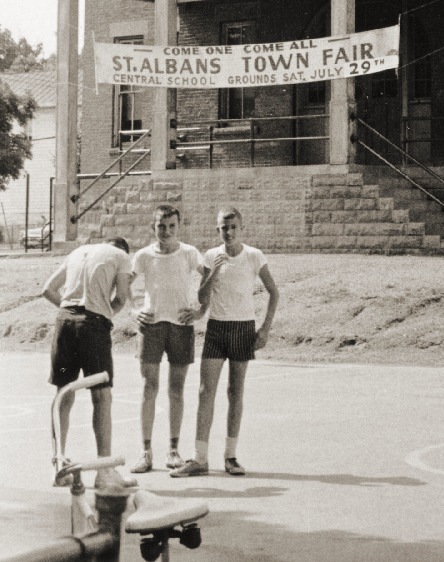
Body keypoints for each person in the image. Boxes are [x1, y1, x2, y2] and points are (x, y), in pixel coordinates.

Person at [171, 206, 279, 478]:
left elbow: (273, 292)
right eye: (223, 228)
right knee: (205, 391)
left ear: (241, 228)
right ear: (217, 229)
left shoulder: (254, 256)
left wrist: (264, 330)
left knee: (235, 392)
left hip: (243, 328)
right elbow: (203, 296)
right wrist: (213, 273)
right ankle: (199, 458)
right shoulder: (210, 256)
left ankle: (230, 456)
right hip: (217, 328)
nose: (228, 232)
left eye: (233, 227)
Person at [42, 237, 133, 489]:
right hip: (93, 326)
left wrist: (71, 311)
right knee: (102, 396)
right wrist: (103, 315)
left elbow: (48, 289)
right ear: (123, 250)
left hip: (64, 323)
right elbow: (121, 299)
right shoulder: (122, 257)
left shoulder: (79, 251)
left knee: (63, 394)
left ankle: (58, 467)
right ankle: (104, 471)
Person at [129, 204, 207, 473]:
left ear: (179, 226)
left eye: (171, 226)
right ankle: (145, 451)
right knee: (149, 387)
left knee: (176, 390)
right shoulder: (143, 256)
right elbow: (124, 282)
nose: (166, 231)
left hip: (181, 327)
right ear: (154, 226)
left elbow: (209, 277)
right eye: (161, 226)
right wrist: (133, 309)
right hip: (151, 326)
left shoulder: (189, 253)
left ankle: (173, 449)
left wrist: (200, 311)